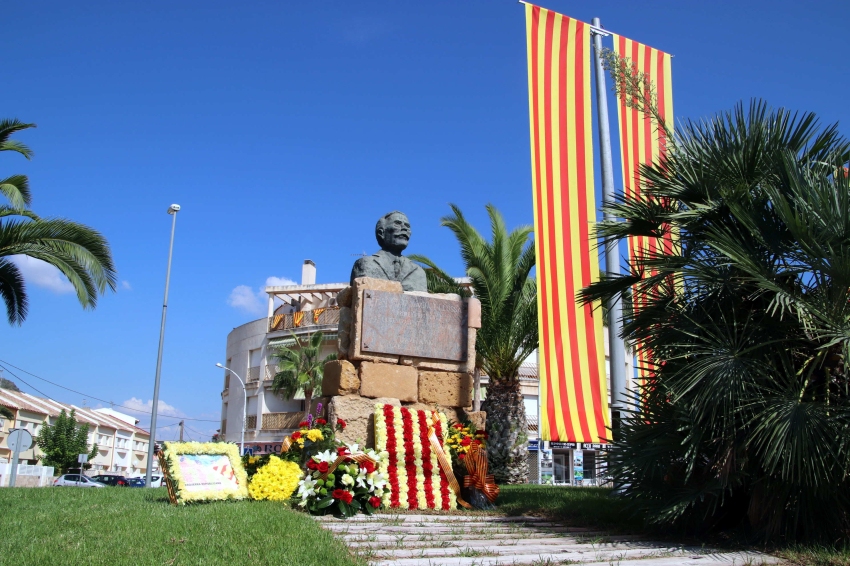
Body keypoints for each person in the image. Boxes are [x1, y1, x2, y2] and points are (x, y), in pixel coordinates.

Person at [350, 211, 427, 292]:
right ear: (381, 233)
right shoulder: (366, 264)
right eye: (397, 223)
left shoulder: (418, 272)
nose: (404, 228)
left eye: (407, 226)